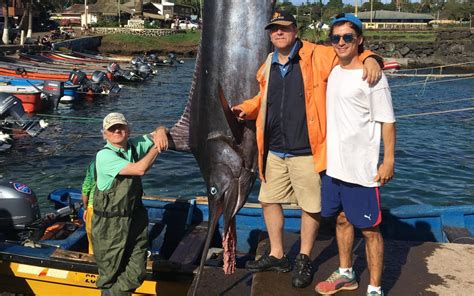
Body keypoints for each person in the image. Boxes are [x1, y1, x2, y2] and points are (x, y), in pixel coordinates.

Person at [231, 10, 383, 289]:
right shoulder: (268, 64)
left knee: (310, 207)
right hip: (274, 150)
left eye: (285, 28)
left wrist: (371, 57)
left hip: (306, 150)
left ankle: (303, 257)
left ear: (295, 31)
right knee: (268, 200)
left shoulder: (317, 55)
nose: (279, 33)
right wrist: (247, 108)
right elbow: (264, 98)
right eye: (274, 29)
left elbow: (347, 51)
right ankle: (278, 254)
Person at [314, 14, 396, 296]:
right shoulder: (334, 70)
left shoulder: (372, 75)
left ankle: (375, 287)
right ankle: (347, 273)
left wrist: (388, 160)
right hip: (335, 168)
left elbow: (388, 121)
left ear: (359, 39)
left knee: (370, 230)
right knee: (341, 219)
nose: (340, 42)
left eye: (347, 37)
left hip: (362, 169)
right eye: (335, 38)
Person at [92, 112, 168, 295]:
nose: (117, 131)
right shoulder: (104, 156)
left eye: (121, 127)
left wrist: (160, 131)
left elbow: (158, 131)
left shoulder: (134, 147)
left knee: (137, 270)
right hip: (110, 226)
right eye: (112, 129)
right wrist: (156, 148)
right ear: (105, 134)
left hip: (135, 218)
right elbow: (139, 169)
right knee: (110, 274)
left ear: (128, 129)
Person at [81, 160, 96, 254]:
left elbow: (86, 188)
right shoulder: (126, 161)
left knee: (93, 242)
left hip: (94, 207)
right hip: (118, 208)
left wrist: (85, 208)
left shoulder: (94, 164)